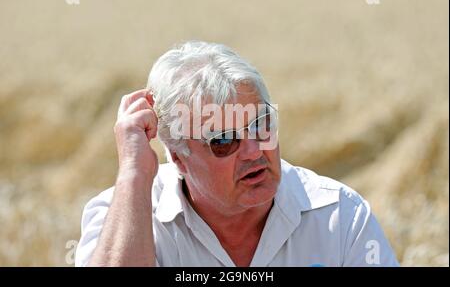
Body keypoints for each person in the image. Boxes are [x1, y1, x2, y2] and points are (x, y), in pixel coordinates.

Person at [75, 41, 399, 267]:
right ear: (178, 158)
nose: (254, 150)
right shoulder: (121, 215)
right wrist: (133, 173)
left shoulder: (340, 217)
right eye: (223, 141)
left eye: (261, 124)